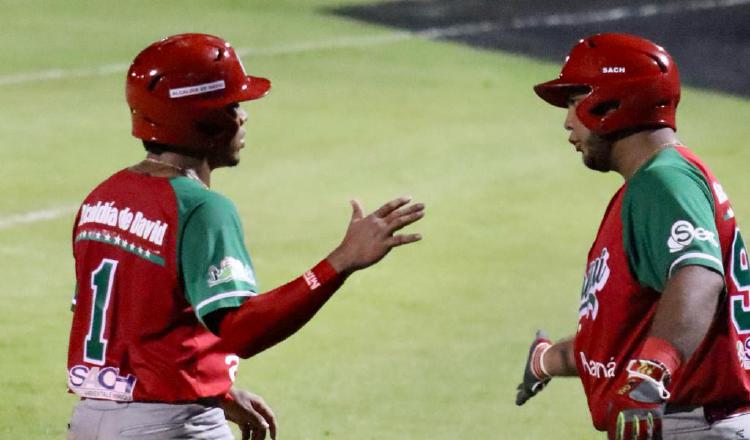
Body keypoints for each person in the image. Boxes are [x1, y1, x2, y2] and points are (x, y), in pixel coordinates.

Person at [66, 33, 425, 440]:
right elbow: (242, 332)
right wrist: (340, 262)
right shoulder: (202, 208)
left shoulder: (102, 198)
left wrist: (212, 389)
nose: (243, 116)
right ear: (203, 119)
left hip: (89, 422)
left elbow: (129, 328)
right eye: (232, 105)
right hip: (170, 428)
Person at [515, 33, 750, 439]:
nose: (568, 121)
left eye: (574, 103)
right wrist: (547, 360)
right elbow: (617, 338)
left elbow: (698, 277)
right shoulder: (652, 187)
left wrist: (650, 373)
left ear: (609, 104)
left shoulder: (663, 181)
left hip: (699, 425)